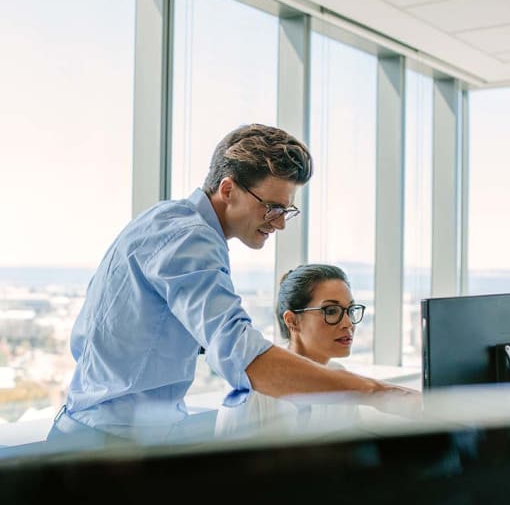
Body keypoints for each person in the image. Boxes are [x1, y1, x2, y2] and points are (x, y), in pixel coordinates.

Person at [47, 123, 419, 447]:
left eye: (286, 210)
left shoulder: (168, 221)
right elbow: (244, 357)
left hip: (103, 432)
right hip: (107, 445)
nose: (280, 223)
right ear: (228, 190)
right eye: (272, 207)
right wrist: (377, 393)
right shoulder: (189, 238)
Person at [215, 264, 365, 438]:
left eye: (350, 310)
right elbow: (228, 462)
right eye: (331, 311)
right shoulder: (253, 389)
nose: (348, 323)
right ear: (292, 321)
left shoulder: (341, 377)